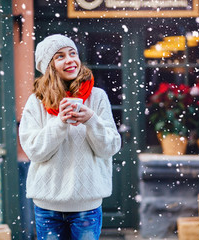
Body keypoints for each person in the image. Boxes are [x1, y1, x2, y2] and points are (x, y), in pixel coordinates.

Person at [19, 34, 121, 240]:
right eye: (60, 56)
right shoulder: (36, 102)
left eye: (72, 53)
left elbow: (110, 147)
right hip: (48, 207)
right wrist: (59, 123)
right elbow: (34, 151)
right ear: (49, 66)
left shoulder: (97, 97)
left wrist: (91, 120)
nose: (70, 60)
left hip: (87, 207)